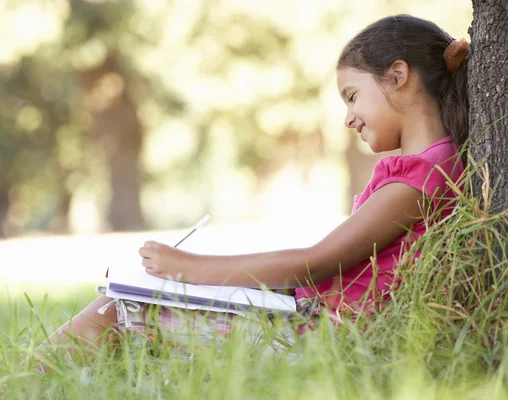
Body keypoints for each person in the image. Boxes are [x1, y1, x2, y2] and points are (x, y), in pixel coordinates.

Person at [27, 14, 469, 370]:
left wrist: (185, 267)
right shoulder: (425, 167)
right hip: (307, 319)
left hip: (319, 338)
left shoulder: (421, 177)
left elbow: (312, 264)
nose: (349, 117)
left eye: (352, 96)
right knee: (131, 300)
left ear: (398, 77)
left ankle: (18, 382)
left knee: (119, 308)